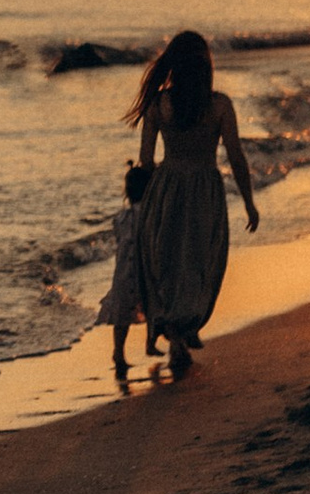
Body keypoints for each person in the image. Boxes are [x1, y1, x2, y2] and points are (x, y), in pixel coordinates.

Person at [127, 30, 258, 381]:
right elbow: (236, 156)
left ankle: (174, 332)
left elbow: (145, 160)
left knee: (166, 263)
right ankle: (185, 329)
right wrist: (248, 202)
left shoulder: (159, 104)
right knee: (201, 263)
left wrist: (141, 195)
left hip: (166, 189)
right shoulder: (219, 105)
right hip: (204, 191)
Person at [98, 163, 156, 379]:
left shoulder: (121, 218)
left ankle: (118, 353)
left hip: (122, 274)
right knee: (154, 308)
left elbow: (119, 238)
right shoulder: (150, 215)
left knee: (121, 317)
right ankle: (151, 343)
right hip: (144, 272)